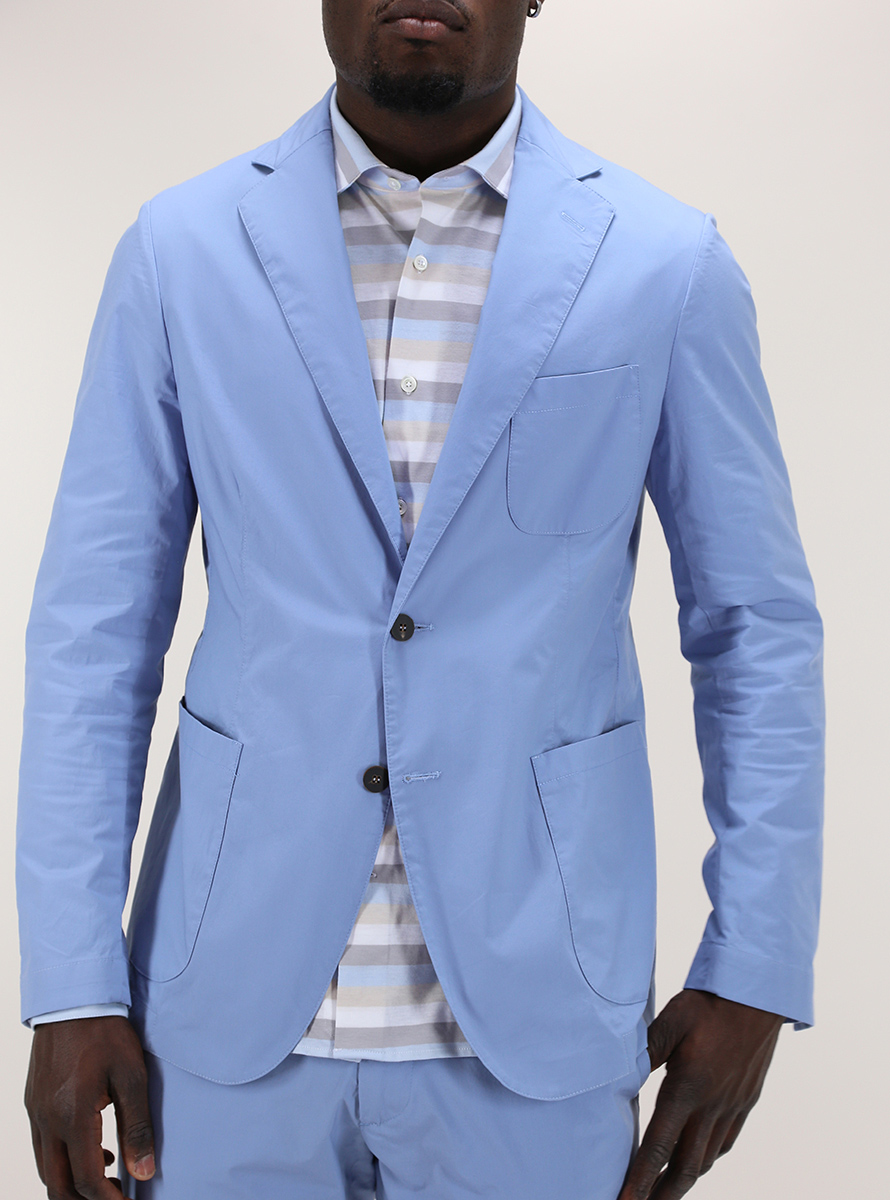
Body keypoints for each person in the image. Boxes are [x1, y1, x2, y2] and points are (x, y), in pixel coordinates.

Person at [17, 1, 825, 1197]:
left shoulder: (663, 261)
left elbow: (753, 631)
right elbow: (95, 632)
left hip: (537, 1014)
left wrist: (753, 964)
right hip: (222, 1012)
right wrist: (71, 982)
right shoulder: (181, 250)